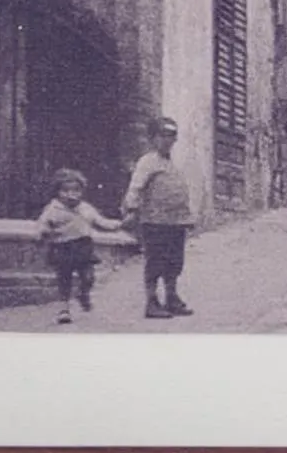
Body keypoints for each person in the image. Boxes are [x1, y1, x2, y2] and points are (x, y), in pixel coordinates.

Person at [123, 116, 197, 316]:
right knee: (155, 261)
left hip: (176, 222)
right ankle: (151, 301)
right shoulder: (147, 162)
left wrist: (188, 217)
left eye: (172, 136)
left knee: (175, 261)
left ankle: (171, 297)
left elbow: (179, 191)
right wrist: (131, 210)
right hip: (155, 222)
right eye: (162, 136)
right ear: (152, 138)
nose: (167, 141)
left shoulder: (173, 163)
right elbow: (136, 187)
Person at [36, 168, 122, 325]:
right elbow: (43, 224)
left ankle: (83, 293)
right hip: (62, 247)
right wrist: (44, 231)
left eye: (76, 190)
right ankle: (64, 309)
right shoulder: (53, 209)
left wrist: (117, 224)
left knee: (88, 277)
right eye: (65, 190)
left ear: (82, 191)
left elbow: (100, 221)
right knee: (64, 279)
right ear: (57, 192)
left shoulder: (85, 208)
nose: (71, 194)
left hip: (83, 246)